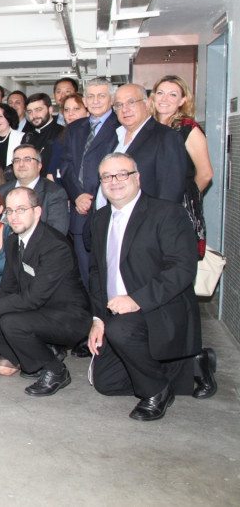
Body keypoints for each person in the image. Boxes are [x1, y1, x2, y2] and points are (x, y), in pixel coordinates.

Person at [87, 153, 214, 421]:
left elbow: (182, 269)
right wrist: (98, 319)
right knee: (105, 383)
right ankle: (188, 365)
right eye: (107, 176)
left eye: (122, 174)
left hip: (159, 307)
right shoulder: (99, 220)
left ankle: (157, 390)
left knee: (121, 329)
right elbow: (97, 273)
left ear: (138, 178)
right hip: (118, 313)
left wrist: (136, 299)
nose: (115, 181)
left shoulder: (168, 213)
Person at [0, 187, 91, 393]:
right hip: (36, 310)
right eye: (10, 211)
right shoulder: (13, 241)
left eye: (21, 210)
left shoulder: (55, 246)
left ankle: (56, 371)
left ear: (37, 212)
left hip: (67, 316)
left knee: (12, 323)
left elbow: (32, 299)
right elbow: (8, 286)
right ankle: (34, 357)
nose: (14, 216)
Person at [60, 78, 120, 290]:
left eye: (101, 95)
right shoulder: (74, 128)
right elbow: (66, 166)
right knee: (86, 274)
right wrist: (77, 195)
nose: (95, 101)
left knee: (110, 271)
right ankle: (94, 317)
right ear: (84, 99)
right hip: (79, 211)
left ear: (111, 99)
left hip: (108, 209)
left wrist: (92, 197)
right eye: (91, 96)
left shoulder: (121, 126)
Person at [151, 75, 213, 255]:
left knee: (177, 262)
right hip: (152, 203)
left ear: (183, 100)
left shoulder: (187, 128)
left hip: (179, 208)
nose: (164, 99)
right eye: (160, 93)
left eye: (172, 94)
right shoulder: (148, 126)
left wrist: (185, 197)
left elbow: (205, 173)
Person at [111, 83, 187, 205]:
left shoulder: (166, 137)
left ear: (146, 104)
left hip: (147, 220)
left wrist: (158, 223)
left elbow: (170, 191)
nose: (125, 109)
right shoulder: (115, 136)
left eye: (131, 102)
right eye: (119, 105)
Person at [0, 144, 69, 234]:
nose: (21, 164)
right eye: (16, 160)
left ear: (39, 166)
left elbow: (57, 234)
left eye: (27, 160)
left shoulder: (54, 193)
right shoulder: (1, 191)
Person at [45, 91, 86, 181]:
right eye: (66, 110)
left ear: (88, 112)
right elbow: (51, 173)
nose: (70, 113)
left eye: (76, 109)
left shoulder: (93, 137)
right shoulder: (60, 138)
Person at [22, 92, 63, 170]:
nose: (34, 115)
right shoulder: (27, 136)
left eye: (38, 110)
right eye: (30, 112)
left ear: (50, 110)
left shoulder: (63, 133)